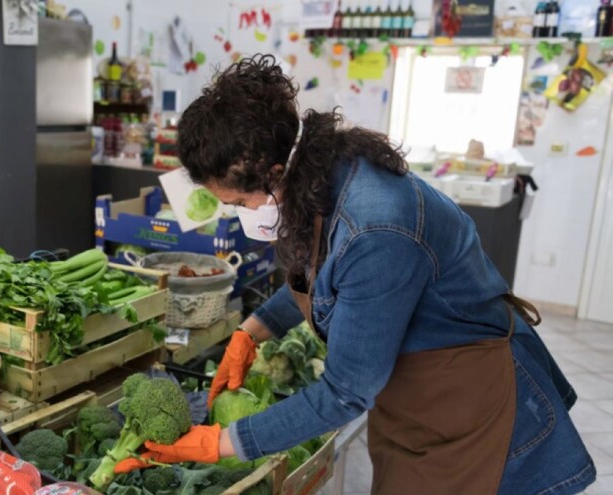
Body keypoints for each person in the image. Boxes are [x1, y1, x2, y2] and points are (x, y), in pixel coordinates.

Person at [116, 55, 596, 494]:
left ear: (275, 169)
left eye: (241, 203)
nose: (242, 214)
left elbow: (346, 391)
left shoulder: (376, 227)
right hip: (417, 395)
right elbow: (325, 275)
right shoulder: (323, 174)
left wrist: (223, 443)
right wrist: (253, 331)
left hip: (469, 401)